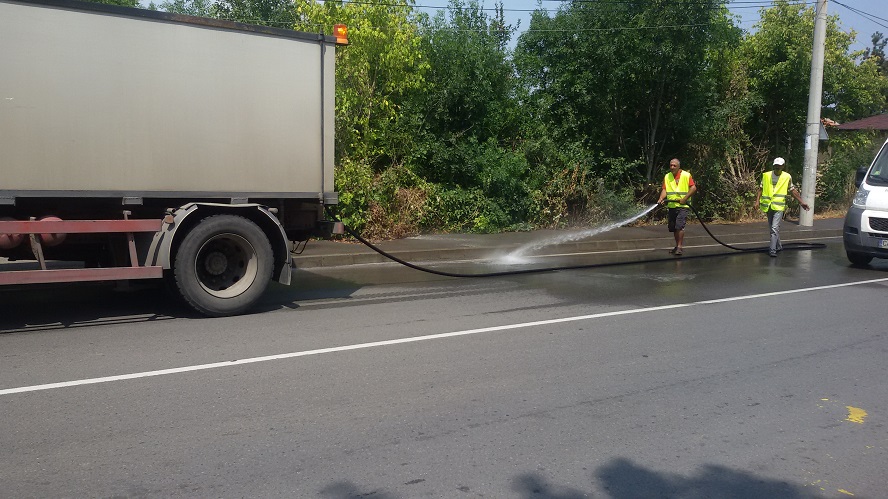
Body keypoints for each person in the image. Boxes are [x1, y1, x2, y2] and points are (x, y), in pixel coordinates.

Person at [755, 157, 810, 257]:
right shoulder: (767, 176)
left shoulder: (787, 177)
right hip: (768, 205)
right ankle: (779, 246)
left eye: (779, 167)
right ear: (773, 166)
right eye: (776, 166)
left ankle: (772, 250)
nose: (777, 168)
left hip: (779, 206)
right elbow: (760, 189)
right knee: (772, 228)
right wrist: (757, 201)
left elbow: (792, 190)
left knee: (774, 228)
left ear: (783, 167)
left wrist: (801, 202)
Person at [657, 158, 697, 255]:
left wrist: (685, 198)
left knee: (679, 226)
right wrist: (661, 198)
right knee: (673, 227)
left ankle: (680, 246)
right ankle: (676, 246)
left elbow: (693, 188)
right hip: (672, 206)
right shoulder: (667, 176)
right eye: (671, 165)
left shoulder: (686, 175)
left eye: (674, 165)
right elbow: (664, 190)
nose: (672, 167)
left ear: (679, 166)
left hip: (683, 206)